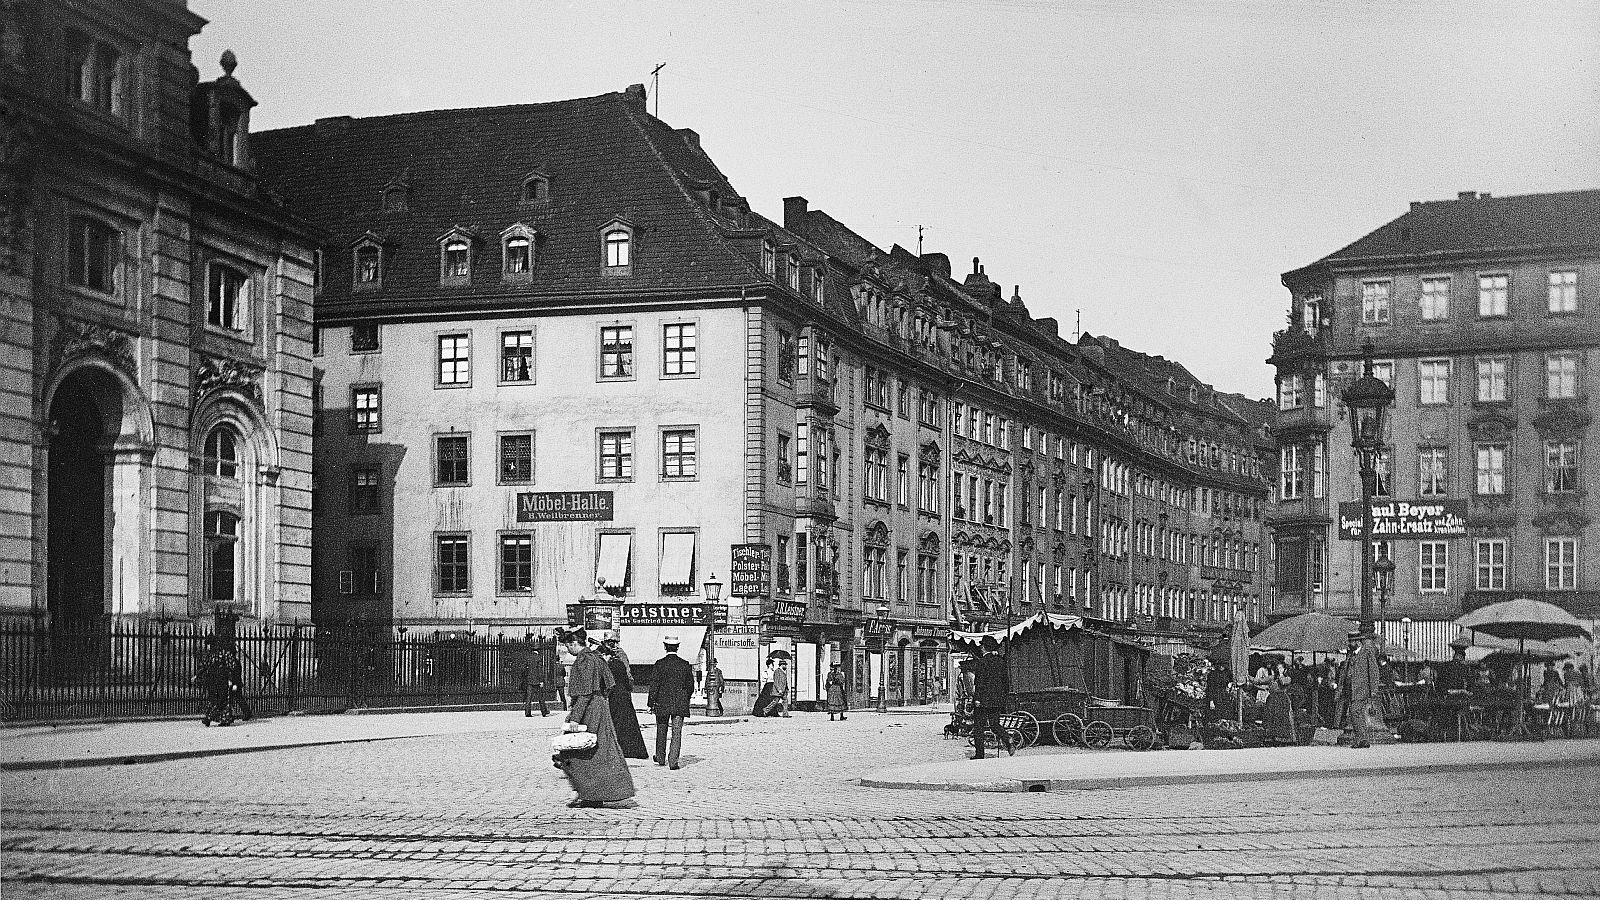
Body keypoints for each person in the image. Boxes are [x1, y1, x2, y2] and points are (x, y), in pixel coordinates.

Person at [553, 626, 636, 809]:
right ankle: (591, 794)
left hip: (589, 710)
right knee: (597, 753)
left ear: (574, 643)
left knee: (579, 752)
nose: (568, 650)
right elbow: (609, 684)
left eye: (568, 646)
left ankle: (590, 794)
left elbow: (584, 694)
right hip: (599, 708)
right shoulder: (596, 658)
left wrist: (575, 719)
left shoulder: (584, 660)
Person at [646, 635, 694, 770]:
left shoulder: (659, 664)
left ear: (665, 647)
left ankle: (660, 757)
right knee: (676, 731)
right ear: (677, 647)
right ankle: (673, 762)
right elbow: (690, 685)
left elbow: (654, 685)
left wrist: (651, 703)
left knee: (661, 730)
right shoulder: (685, 664)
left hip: (662, 703)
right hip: (679, 703)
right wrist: (685, 697)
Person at [959, 635, 1008, 760]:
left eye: (981, 645)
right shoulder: (1001, 662)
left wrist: (977, 699)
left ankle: (980, 754)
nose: (980, 647)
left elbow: (979, 683)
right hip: (997, 700)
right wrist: (1003, 698)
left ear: (984, 647)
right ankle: (1008, 739)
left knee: (979, 728)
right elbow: (1006, 682)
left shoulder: (982, 662)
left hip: (983, 701)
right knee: (995, 725)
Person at [600, 634, 648, 759]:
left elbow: (626, 674)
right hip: (622, 692)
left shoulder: (619, 656)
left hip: (615, 692)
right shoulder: (618, 656)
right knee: (625, 721)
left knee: (618, 721)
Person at [1338, 630, 1383, 748]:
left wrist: (1373, 690)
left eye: (1352, 642)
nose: (1350, 644)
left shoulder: (1366, 653)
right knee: (1357, 714)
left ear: (1358, 641)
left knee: (1355, 712)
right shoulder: (1350, 654)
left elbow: (1374, 672)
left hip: (1361, 690)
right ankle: (1363, 739)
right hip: (1350, 690)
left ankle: (1361, 739)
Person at [521, 649, 549, 717]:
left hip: (529, 681)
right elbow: (540, 670)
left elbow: (523, 669)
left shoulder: (528, 658)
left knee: (529, 697)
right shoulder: (538, 658)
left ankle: (527, 713)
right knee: (541, 697)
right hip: (537, 681)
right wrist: (541, 680)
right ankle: (544, 712)